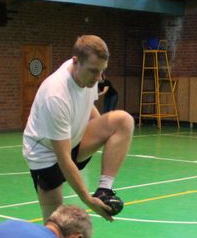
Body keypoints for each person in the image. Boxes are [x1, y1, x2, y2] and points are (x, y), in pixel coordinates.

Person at [23, 35, 133, 222]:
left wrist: (104, 135)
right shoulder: (56, 95)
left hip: (75, 140)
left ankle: (104, 189)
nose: (98, 78)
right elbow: (64, 159)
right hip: (47, 157)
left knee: (124, 121)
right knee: (56, 225)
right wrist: (87, 199)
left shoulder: (86, 72)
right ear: (76, 62)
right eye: (94, 71)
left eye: (102, 71)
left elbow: (87, 103)